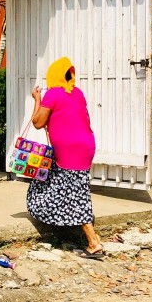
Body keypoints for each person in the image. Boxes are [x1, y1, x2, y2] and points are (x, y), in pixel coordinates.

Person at [26, 57, 104, 258]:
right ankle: (63, 225)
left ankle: (93, 242)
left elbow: (37, 122)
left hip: (69, 150)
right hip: (86, 145)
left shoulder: (53, 94)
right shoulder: (77, 93)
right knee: (67, 185)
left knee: (77, 194)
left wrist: (37, 100)